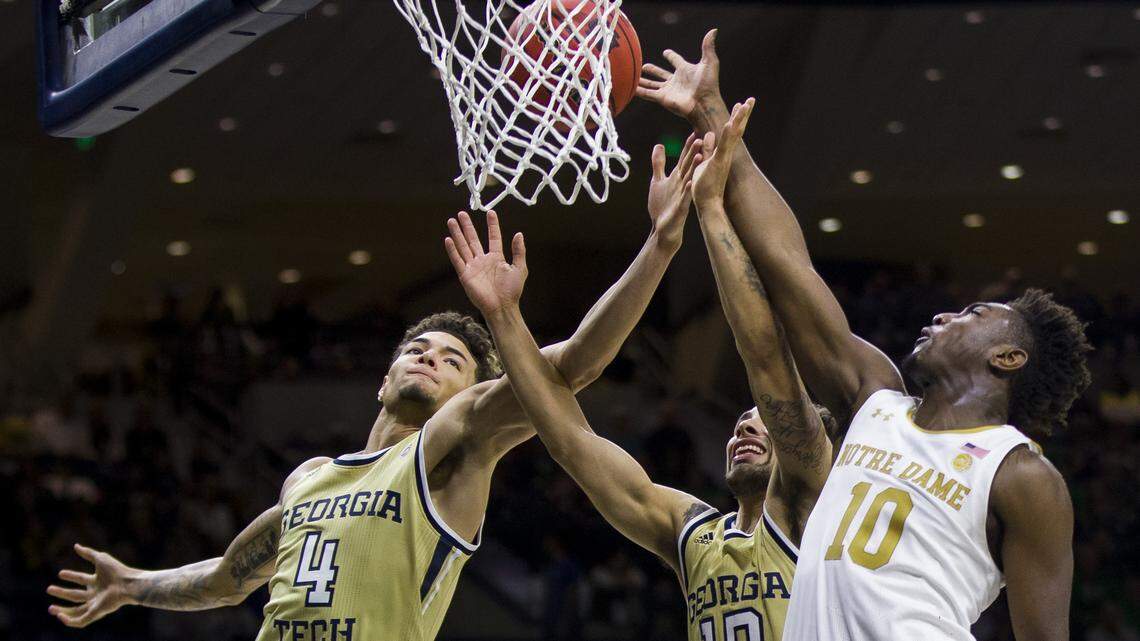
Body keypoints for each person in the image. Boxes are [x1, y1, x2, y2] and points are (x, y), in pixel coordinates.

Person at [45, 139, 701, 641]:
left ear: (470, 393)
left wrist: (661, 244)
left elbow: (573, 366)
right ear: (381, 380)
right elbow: (226, 578)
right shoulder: (309, 476)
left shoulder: (456, 446)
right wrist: (133, 584)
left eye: (450, 360)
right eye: (415, 350)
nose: (427, 357)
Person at [638, 29, 1091, 641]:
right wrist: (713, 114)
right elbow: (789, 263)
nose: (944, 317)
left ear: (1009, 358)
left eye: (973, 315)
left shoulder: (1021, 477)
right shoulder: (876, 396)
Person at [445, 111, 832, 641]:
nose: (744, 428)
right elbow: (570, 439)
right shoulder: (692, 532)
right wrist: (504, 315)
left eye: (762, 418)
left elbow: (765, 354)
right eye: (741, 419)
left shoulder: (813, 510)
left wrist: (712, 209)